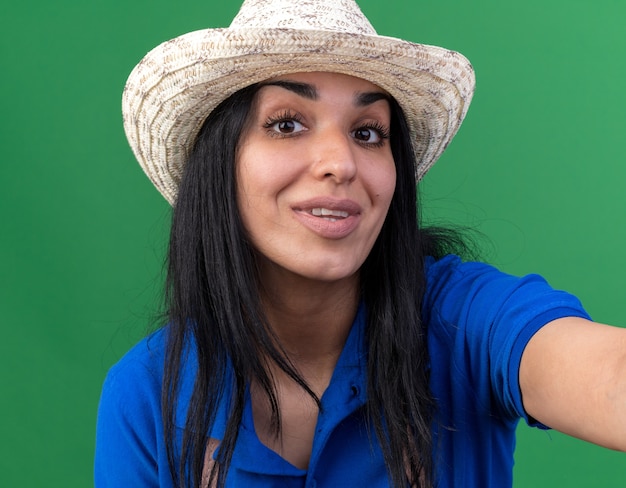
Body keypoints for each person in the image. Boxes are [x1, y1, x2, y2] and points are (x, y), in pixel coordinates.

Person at [95, 0, 626, 487]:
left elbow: (604, 374)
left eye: (368, 132)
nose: (341, 163)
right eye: (286, 124)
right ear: (219, 164)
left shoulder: (465, 321)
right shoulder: (147, 394)